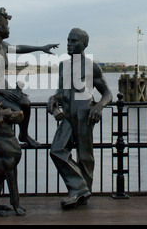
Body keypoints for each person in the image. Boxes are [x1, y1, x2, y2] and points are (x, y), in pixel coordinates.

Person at [47, 28, 112, 208]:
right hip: (67, 115)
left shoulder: (92, 67)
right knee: (57, 150)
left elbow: (107, 93)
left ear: (84, 44)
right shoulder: (64, 66)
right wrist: (53, 100)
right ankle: (80, 188)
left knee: (85, 156)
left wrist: (99, 106)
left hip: (85, 114)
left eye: (74, 41)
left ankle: (80, 193)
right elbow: (61, 92)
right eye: (68, 40)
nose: (69, 44)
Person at [0, 7, 58, 148]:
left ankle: (23, 135)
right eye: (7, 26)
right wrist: (2, 92)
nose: (9, 29)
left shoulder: (3, 46)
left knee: (26, 103)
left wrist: (41, 48)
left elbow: (20, 48)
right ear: (0, 28)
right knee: (16, 111)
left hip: (3, 86)